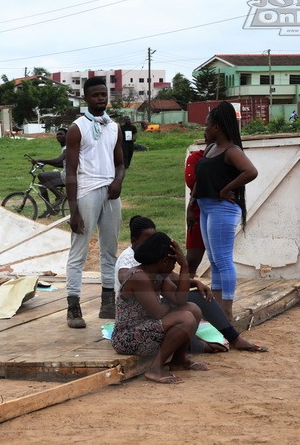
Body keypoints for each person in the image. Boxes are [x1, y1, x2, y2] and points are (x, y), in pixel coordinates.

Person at [115, 216, 268, 353]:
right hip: (135, 325)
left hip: (151, 315)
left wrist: (190, 275)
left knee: (194, 305)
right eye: (147, 239)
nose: (151, 243)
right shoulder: (135, 268)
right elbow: (153, 307)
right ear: (134, 241)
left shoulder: (157, 269)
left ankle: (230, 338)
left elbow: (175, 288)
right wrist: (172, 303)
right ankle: (169, 362)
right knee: (186, 320)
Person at [64, 76, 125, 328]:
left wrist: (118, 181)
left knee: (109, 249)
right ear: (86, 98)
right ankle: (73, 307)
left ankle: (108, 302)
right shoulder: (77, 128)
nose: (101, 98)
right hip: (87, 191)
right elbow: (70, 171)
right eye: (96, 95)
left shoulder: (114, 127)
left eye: (104, 94)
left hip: (111, 193)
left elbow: (121, 163)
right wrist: (73, 210)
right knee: (79, 250)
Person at [189, 101, 258, 322]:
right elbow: (200, 180)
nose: (205, 129)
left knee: (222, 260)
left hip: (222, 210)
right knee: (214, 259)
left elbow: (251, 171)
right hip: (206, 207)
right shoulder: (210, 149)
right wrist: (192, 204)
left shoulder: (231, 150)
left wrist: (227, 189)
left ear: (217, 127)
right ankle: (218, 308)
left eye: (207, 126)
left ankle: (226, 310)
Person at [112, 232, 208, 384]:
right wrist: (170, 305)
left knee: (193, 309)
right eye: (174, 263)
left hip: (147, 328)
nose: (173, 267)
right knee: (186, 317)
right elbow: (157, 312)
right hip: (127, 337)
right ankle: (155, 368)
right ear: (164, 261)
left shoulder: (157, 276)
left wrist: (185, 266)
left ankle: (179, 360)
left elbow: (181, 299)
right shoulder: (139, 277)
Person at [31, 128, 67, 219]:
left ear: (67, 136)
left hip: (68, 176)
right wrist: (44, 163)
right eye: (57, 135)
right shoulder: (64, 148)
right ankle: (49, 209)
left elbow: (58, 160)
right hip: (66, 173)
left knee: (41, 176)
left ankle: (59, 196)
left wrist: (42, 160)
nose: (58, 136)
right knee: (41, 184)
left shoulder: (68, 148)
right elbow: (61, 164)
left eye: (61, 134)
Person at [185, 148, 205, 277]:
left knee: (220, 259)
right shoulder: (196, 157)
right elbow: (192, 182)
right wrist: (191, 206)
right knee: (192, 258)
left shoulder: (231, 153)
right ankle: (183, 293)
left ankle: (222, 295)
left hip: (218, 209)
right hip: (198, 208)